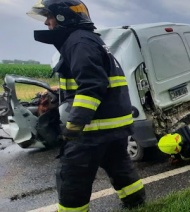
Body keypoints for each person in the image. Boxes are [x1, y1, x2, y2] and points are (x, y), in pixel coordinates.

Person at [27, 0, 145, 211]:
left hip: (93, 129)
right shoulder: (90, 41)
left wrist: (74, 125)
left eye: (49, 16)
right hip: (113, 126)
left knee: (73, 176)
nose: (46, 23)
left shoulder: (78, 43)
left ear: (63, 17)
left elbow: (92, 86)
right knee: (120, 167)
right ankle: (137, 203)